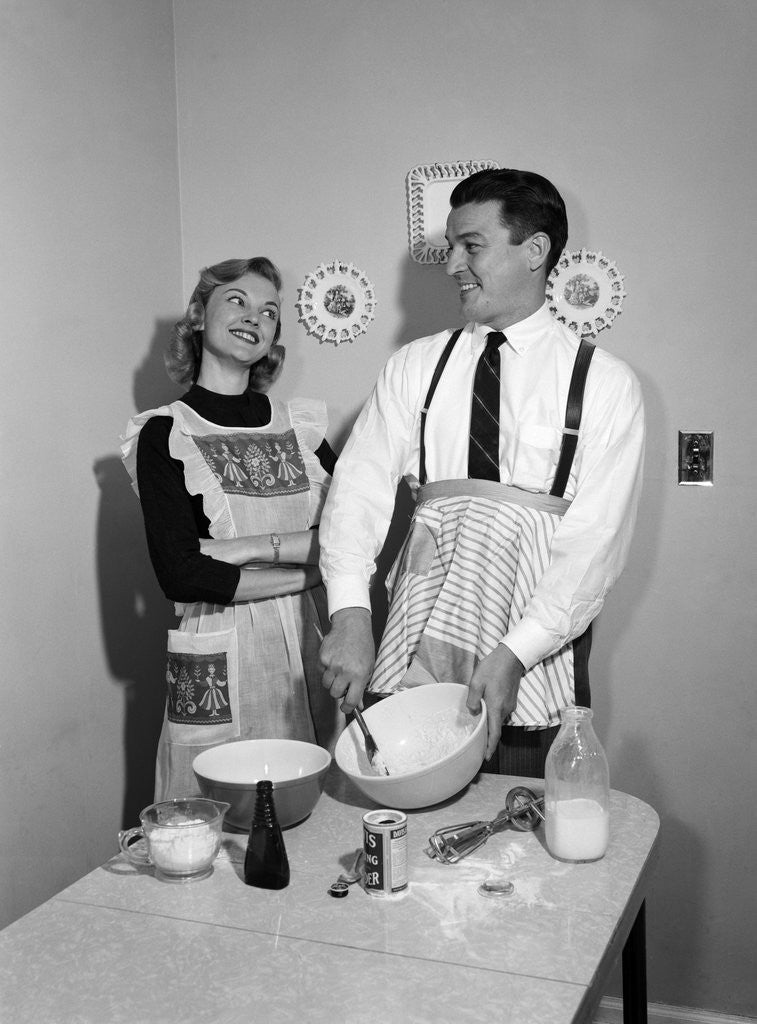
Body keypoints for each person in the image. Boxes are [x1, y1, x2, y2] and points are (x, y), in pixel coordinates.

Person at [318, 169, 645, 778]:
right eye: (450, 247)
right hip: (412, 647)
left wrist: (515, 655)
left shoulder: (603, 383)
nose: (451, 266)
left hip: (535, 659)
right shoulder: (414, 367)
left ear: (536, 250)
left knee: (521, 837)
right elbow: (356, 493)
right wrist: (351, 616)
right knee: (406, 829)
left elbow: (595, 543)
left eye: (471, 246)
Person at [121, 257, 342, 800]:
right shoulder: (165, 434)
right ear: (198, 315)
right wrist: (308, 572)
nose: (254, 317)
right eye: (237, 301)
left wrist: (240, 549)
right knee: (211, 811)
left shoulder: (303, 430)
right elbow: (182, 576)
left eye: (269, 312)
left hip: (310, 640)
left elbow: (347, 542)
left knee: (311, 797)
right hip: (218, 647)